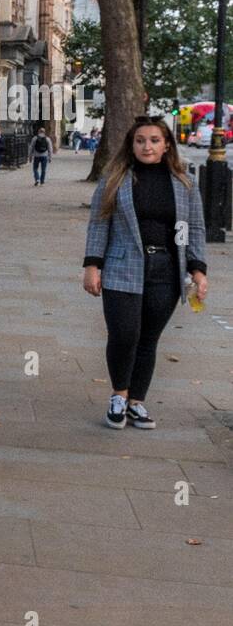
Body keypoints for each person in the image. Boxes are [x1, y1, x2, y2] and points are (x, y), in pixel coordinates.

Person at [83, 116, 209, 430]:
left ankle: (137, 401)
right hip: (122, 265)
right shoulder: (115, 178)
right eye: (140, 140)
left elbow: (191, 228)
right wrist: (92, 265)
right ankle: (119, 396)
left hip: (166, 269)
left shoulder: (182, 183)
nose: (147, 146)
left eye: (154, 140)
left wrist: (197, 268)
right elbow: (100, 223)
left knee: (148, 339)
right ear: (132, 144)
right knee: (124, 334)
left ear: (167, 145)